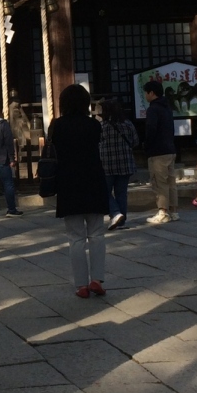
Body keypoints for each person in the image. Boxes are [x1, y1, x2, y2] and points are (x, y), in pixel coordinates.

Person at [48, 83, 109, 297]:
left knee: (75, 237)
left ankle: (81, 285)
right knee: (97, 234)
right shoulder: (94, 125)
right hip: (93, 180)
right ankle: (97, 279)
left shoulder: (57, 126)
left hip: (68, 182)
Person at [99, 97, 138, 230]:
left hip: (107, 165)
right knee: (121, 193)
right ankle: (121, 221)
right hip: (125, 164)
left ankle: (115, 213)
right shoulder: (128, 124)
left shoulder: (102, 126)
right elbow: (135, 142)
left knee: (104, 191)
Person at [143, 79, 178, 225]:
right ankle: (173, 211)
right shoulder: (167, 107)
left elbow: (151, 129)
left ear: (151, 93)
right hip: (170, 148)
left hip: (158, 151)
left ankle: (163, 212)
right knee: (171, 182)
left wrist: (146, 145)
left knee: (159, 182)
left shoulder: (153, 109)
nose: (145, 96)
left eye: (146, 93)